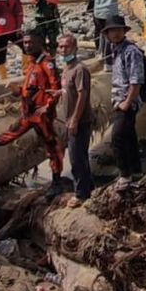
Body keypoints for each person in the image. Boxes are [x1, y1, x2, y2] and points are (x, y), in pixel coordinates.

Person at [0, 29, 65, 197]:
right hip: (29, 112)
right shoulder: (32, 63)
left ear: (39, 43)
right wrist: (18, 91)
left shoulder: (46, 62)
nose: (27, 45)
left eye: (30, 43)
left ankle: (57, 181)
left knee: (52, 146)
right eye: (25, 43)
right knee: (13, 130)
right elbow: (31, 88)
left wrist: (48, 107)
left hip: (41, 115)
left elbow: (55, 88)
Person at [104, 16, 145, 186]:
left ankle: (125, 174)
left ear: (124, 31)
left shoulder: (131, 51)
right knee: (129, 136)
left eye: (118, 30)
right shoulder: (116, 49)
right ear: (107, 34)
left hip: (127, 102)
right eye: (112, 31)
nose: (115, 33)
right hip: (119, 100)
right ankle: (136, 171)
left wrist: (127, 103)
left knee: (117, 138)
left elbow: (136, 80)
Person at [58, 33, 93, 208]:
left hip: (80, 120)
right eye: (61, 47)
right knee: (80, 156)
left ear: (75, 48)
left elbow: (82, 95)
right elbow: (67, 90)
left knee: (76, 158)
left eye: (67, 46)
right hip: (69, 119)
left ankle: (80, 194)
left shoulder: (80, 69)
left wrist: (74, 120)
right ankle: (89, 188)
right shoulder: (66, 68)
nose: (63, 50)